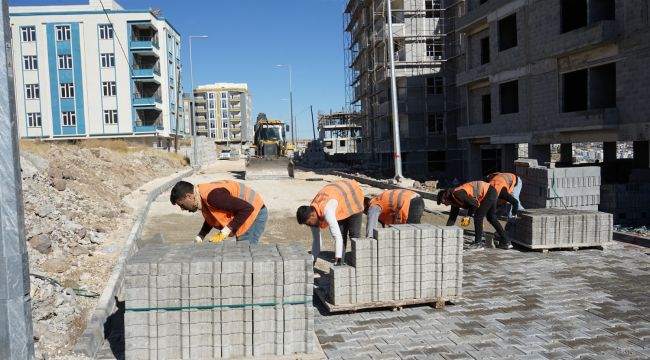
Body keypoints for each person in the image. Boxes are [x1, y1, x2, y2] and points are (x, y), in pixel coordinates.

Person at [170, 180, 267, 244]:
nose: (183, 209)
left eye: (182, 205)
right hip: (246, 212)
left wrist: (226, 230)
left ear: (189, 197)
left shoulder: (213, 197)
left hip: (255, 214)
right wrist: (201, 236)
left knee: (245, 250)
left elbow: (247, 208)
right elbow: (211, 217)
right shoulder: (200, 195)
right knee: (242, 250)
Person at [296, 179, 364, 266]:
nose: (309, 225)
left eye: (308, 223)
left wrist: (337, 260)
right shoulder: (312, 211)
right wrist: (312, 262)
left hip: (353, 194)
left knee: (354, 235)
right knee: (342, 233)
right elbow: (317, 240)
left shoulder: (327, 209)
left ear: (312, 215)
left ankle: (358, 264)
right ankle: (340, 264)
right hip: (339, 200)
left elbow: (337, 237)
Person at [437, 180, 512, 250]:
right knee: (491, 217)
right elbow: (452, 217)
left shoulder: (458, 194)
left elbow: (475, 205)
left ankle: (478, 243)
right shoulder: (453, 201)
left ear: (445, 197)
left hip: (488, 192)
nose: (446, 205)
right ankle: (506, 241)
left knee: (478, 217)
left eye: (444, 203)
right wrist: (445, 232)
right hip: (490, 191)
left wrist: (468, 216)